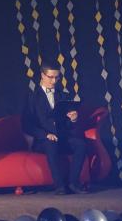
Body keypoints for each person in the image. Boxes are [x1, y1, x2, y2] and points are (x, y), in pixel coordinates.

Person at [21, 61, 88, 195]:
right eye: (50, 77)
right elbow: (27, 125)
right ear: (42, 75)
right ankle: (59, 186)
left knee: (81, 144)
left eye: (57, 77)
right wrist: (45, 135)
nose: (54, 81)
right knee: (51, 144)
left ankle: (73, 183)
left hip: (62, 138)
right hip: (43, 141)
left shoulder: (63, 95)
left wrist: (73, 119)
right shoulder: (32, 97)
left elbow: (67, 125)